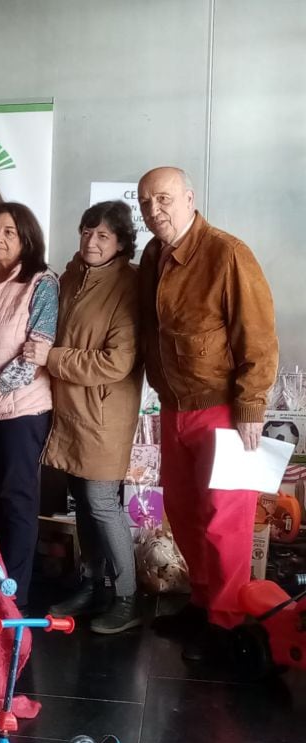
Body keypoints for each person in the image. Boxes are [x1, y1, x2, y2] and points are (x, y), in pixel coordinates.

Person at [137, 166, 278, 663]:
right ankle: (201, 603)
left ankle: (225, 624)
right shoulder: (152, 257)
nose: (155, 211)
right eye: (146, 203)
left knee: (225, 522)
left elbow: (257, 338)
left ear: (190, 198)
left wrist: (251, 406)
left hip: (223, 410)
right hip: (173, 410)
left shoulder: (227, 253)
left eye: (164, 199)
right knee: (184, 513)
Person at [31, 201, 143, 633]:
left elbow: (118, 362)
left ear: (120, 242)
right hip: (71, 409)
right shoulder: (71, 275)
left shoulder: (128, 285)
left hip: (104, 412)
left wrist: (53, 358)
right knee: (83, 499)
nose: (91, 242)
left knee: (101, 502)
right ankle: (93, 584)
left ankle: (128, 597)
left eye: (102, 236)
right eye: (86, 231)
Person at [0, 202, 58, 608]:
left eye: (9, 232)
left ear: (26, 239)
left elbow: (37, 349)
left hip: (21, 409)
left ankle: (13, 596)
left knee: (16, 499)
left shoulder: (41, 282)